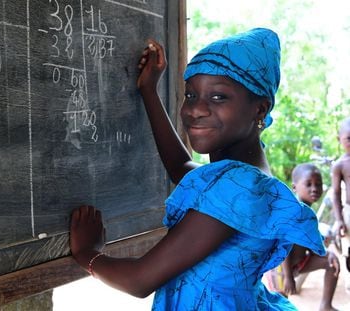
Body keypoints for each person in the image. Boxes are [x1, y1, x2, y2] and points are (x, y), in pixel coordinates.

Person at [69, 28, 326, 310]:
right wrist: (149, 91)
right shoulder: (244, 178)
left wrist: (87, 254)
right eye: (190, 95)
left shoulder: (237, 185)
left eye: (218, 97)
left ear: (260, 110)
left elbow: (139, 280)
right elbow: (182, 167)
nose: (195, 110)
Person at [281, 163, 339, 311]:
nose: (314, 189)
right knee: (279, 300)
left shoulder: (309, 213)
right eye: (308, 184)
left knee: (332, 261)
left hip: (301, 262)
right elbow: (283, 245)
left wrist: (326, 253)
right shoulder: (294, 211)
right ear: (294, 187)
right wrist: (288, 276)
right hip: (281, 267)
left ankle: (326, 306)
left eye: (318, 185)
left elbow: (309, 242)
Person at [332, 117, 350, 289]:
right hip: (349, 213)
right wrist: (339, 220)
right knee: (349, 251)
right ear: (340, 140)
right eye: (349, 139)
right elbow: (336, 194)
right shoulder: (340, 165)